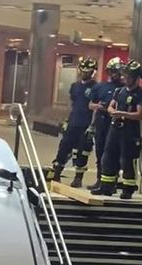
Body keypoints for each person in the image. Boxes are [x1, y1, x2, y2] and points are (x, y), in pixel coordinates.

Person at [91, 59, 142, 199]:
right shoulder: (119, 91)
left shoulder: (140, 94)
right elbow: (111, 106)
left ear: (135, 78)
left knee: (126, 159)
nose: (125, 78)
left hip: (129, 131)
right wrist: (112, 111)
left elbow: (140, 115)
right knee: (108, 156)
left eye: (128, 76)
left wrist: (123, 114)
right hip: (114, 128)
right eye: (125, 76)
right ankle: (106, 186)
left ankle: (128, 189)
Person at [50, 57, 99, 188]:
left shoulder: (96, 88)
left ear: (93, 72)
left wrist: (93, 126)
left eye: (87, 72)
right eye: (83, 71)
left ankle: (78, 178)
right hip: (73, 122)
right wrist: (66, 120)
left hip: (86, 124)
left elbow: (96, 108)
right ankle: (57, 173)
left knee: (83, 151)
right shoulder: (75, 86)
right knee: (64, 147)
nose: (84, 74)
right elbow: (71, 104)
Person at [86, 57, 124, 190]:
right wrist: (98, 107)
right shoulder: (99, 87)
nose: (117, 75)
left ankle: (112, 181)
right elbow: (91, 105)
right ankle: (99, 179)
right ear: (109, 71)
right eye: (115, 72)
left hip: (116, 123)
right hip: (101, 122)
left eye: (119, 72)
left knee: (113, 153)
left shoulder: (123, 88)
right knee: (100, 152)